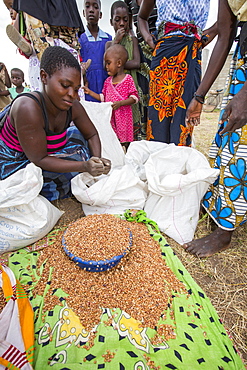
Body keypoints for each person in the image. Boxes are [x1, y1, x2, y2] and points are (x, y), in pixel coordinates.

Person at [0, 46, 111, 201]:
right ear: (44, 77)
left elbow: (91, 134)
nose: (72, 94)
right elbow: (39, 159)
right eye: (65, 85)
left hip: (47, 154)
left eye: (76, 88)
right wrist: (85, 166)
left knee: (79, 137)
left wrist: (96, 161)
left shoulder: (73, 105)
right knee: (35, 184)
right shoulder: (28, 108)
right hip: (17, 163)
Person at [181, 0, 247, 257]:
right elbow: (224, 33)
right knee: (226, 139)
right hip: (242, 59)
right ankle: (217, 208)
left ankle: (225, 231)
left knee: (240, 148)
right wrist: (199, 96)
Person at [138, 0, 217, 146]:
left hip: (191, 57)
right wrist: (148, 37)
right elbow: (141, 17)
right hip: (164, 56)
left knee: (184, 120)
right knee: (158, 122)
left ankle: (178, 166)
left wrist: (202, 38)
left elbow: (225, 22)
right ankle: (156, 166)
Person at [84, 44, 139, 150]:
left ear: (119, 63)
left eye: (109, 63)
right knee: (113, 140)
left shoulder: (127, 79)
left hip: (123, 117)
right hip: (111, 118)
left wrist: (121, 103)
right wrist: (90, 92)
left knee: (124, 142)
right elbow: (103, 98)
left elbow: (134, 98)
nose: (106, 66)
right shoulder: (107, 81)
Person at [108, 1, 146, 141]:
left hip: (130, 89)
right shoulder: (109, 44)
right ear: (111, 22)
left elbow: (136, 62)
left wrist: (117, 65)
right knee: (116, 124)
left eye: (125, 19)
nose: (122, 23)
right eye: (117, 20)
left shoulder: (133, 40)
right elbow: (106, 65)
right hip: (115, 92)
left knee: (133, 122)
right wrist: (115, 43)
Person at [78, 0, 112, 102]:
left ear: (100, 14)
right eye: (87, 7)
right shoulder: (79, 40)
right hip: (87, 87)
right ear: (84, 13)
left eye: (95, 7)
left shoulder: (108, 39)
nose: (91, 10)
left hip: (105, 85)